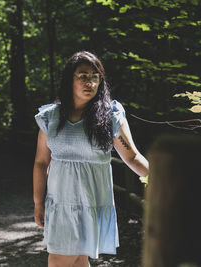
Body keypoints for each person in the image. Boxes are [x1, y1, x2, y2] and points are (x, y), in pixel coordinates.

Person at [33, 51, 149, 267]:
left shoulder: (109, 117)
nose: (90, 82)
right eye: (83, 76)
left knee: (75, 260)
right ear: (70, 80)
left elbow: (132, 157)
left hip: (92, 202)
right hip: (61, 204)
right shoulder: (51, 117)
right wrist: (38, 202)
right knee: (67, 260)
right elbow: (41, 162)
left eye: (95, 76)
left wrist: (163, 179)